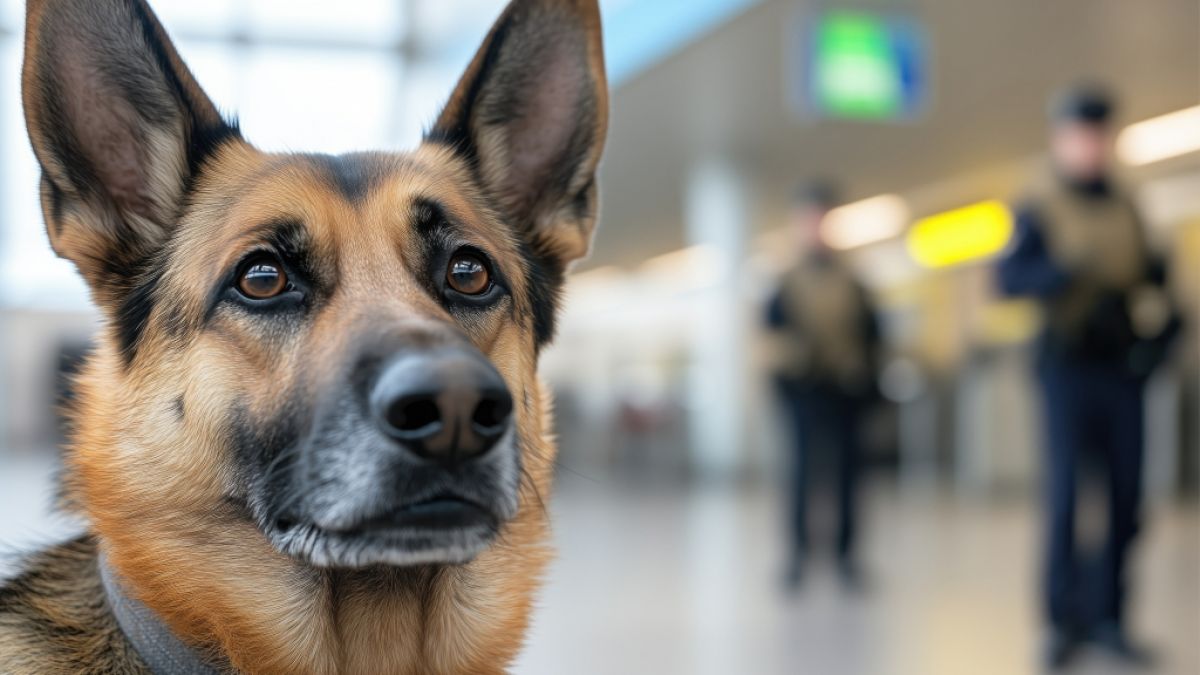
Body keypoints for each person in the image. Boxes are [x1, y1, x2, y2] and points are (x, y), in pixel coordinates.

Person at [996, 85, 1180, 670]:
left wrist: (1161, 340)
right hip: (1067, 369)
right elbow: (1008, 280)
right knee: (1067, 498)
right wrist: (1058, 274)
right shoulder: (1040, 206)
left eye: (1099, 135)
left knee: (1126, 498)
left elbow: (1160, 282)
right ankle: (1063, 623)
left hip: (1121, 371)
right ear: (1060, 140)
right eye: (1080, 135)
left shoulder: (1129, 208)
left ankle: (1110, 618)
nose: (1090, 146)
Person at [765, 181, 881, 591]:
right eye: (810, 218)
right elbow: (771, 338)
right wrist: (789, 371)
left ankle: (846, 556)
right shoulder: (786, 282)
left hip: (845, 392)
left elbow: (873, 336)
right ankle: (798, 554)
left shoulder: (852, 281)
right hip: (803, 391)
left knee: (849, 476)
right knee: (801, 475)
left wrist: (867, 382)